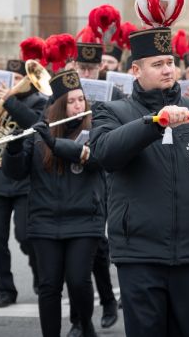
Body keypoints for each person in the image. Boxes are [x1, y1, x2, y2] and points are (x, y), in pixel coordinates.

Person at [90, 5, 189, 337]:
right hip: (139, 254)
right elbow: (105, 153)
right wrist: (153, 123)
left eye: (170, 63)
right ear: (135, 69)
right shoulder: (113, 110)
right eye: (157, 64)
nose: (167, 70)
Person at [2, 69, 104, 337]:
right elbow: (16, 173)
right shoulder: (39, 132)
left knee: (79, 281)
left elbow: (96, 160)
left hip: (84, 219)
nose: (78, 106)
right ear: (59, 106)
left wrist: (54, 143)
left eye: (81, 100)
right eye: (71, 101)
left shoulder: (96, 129)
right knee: (49, 287)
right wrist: (12, 151)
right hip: (44, 219)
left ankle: (85, 324)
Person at [0, 59, 47, 308]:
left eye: (19, 80)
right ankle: (5, 290)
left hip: (24, 180)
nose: (15, 84)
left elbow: (34, 124)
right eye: (11, 80)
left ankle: (40, 276)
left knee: (25, 236)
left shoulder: (38, 102)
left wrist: (10, 100)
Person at [66, 41, 119, 336]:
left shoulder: (111, 93)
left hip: (100, 176)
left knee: (95, 246)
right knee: (85, 252)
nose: (87, 72)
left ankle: (106, 302)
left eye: (92, 68)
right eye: (82, 67)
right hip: (71, 177)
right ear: (74, 67)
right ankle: (81, 318)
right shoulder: (67, 92)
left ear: (100, 68)